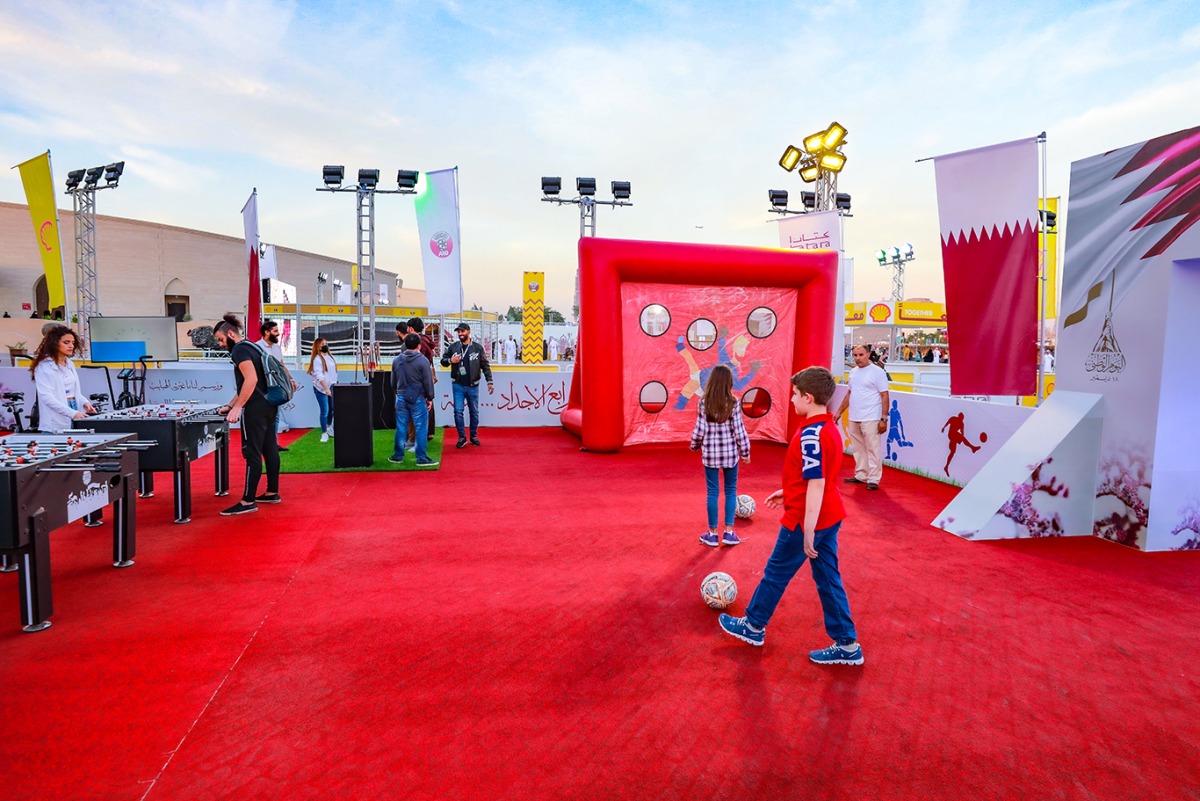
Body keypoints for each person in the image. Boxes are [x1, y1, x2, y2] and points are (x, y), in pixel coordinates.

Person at [718, 367, 863, 665]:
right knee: (828, 578)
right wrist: (788, 491)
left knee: (776, 572)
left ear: (808, 397)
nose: (793, 399)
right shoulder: (827, 428)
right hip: (828, 513)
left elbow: (817, 482)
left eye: (796, 394)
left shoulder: (811, 434)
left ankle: (753, 626)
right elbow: (818, 475)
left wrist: (808, 530)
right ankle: (847, 644)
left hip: (806, 519)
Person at [214, 313, 280, 515]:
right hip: (269, 405)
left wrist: (238, 407)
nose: (220, 344)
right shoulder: (252, 346)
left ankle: (247, 501)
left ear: (230, 334)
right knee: (270, 448)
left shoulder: (239, 350)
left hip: (255, 409)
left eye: (221, 339)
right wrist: (231, 404)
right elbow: (247, 384)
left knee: (252, 453)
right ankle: (272, 492)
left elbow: (251, 380)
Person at [689, 364, 750, 547]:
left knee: (712, 492)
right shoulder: (734, 402)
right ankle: (729, 532)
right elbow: (739, 430)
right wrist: (745, 452)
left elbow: (700, 429)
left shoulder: (703, 403)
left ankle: (712, 534)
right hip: (730, 455)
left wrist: (694, 445)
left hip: (710, 455)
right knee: (731, 490)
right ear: (729, 383)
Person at [834, 344, 889, 490]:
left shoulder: (878, 372)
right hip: (854, 416)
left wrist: (884, 418)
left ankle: (874, 479)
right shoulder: (853, 372)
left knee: (872, 448)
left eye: (861, 355)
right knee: (858, 448)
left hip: (871, 416)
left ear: (868, 354)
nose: (858, 358)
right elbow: (849, 394)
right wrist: (839, 412)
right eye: (855, 355)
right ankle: (861, 474)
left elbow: (884, 395)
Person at [29, 325, 95, 431]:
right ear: (55, 343)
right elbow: (47, 397)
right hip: (57, 415)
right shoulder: (44, 366)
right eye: (66, 342)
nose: (71, 346)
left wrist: (84, 402)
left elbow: (73, 391)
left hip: (74, 408)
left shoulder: (70, 364)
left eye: (73, 342)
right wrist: (72, 413)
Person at [440, 323, 494, 448]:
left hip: (473, 386)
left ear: (468, 332)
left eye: (462, 331)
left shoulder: (477, 348)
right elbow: (443, 361)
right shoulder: (453, 347)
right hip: (457, 385)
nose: (460, 334)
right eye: (458, 332)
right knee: (458, 411)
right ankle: (462, 437)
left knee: (474, 412)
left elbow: (485, 365)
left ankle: (473, 436)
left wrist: (490, 381)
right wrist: (450, 361)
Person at [389, 333, 438, 467]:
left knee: (401, 427)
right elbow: (428, 382)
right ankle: (421, 457)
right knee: (421, 427)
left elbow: (393, 382)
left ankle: (398, 455)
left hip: (401, 396)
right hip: (417, 397)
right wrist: (430, 397)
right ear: (419, 346)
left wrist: (399, 392)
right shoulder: (423, 361)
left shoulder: (396, 360)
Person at [255, 320, 299, 450]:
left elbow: (281, 365)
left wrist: (290, 379)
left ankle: (272, 445)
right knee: (262, 416)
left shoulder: (277, 347)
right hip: (262, 388)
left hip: (276, 387)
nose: (278, 333)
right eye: (275, 331)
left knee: (276, 415)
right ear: (267, 332)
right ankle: (262, 444)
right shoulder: (257, 347)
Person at [408, 317, 438, 445]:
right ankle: (428, 432)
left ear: (411, 329)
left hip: (419, 379)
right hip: (426, 377)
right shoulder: (426, 340)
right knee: (428, 403)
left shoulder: (418, 342)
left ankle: (416, 437)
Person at [308, 337, 337, 442]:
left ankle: (329, 427)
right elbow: (319, 375)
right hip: (321, 388)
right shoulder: (317, 359)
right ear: (317, 346)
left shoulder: (329, 357)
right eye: (322, 344)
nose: (325, 345)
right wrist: (326, 388)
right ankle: (324, 433)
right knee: (325, 410)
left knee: (332, 409)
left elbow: (333, 373)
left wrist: (332, 385)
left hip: (331, 386)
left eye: (325, 343)